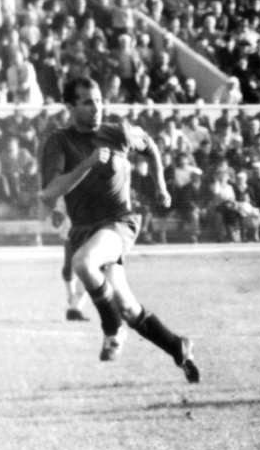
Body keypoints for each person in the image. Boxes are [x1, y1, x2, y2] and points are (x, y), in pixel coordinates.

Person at [38, 76, 199, 383]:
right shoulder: (58, 142)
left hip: (118, 223)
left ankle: (111, 331)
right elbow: (50, 191)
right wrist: (85, 164)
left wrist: (161, 186)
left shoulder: (117, 132)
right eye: (87, 102)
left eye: (98, 100)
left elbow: (150, 146)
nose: (96, 107)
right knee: (126, 305)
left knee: (83, 263)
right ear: (69, 106)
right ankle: (178, 346)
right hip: (84, 230)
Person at [52, 195, 89, 321]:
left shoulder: (97, 187)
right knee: (68, 268)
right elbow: (59, 210)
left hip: (92, 233)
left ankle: (75, 308)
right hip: (72, 232)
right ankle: (72, 296)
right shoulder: (70, 187)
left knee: (88, 269)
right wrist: (57, 216)